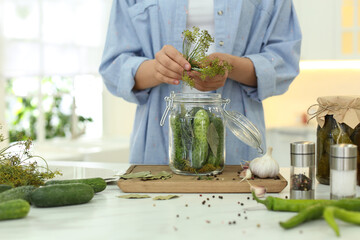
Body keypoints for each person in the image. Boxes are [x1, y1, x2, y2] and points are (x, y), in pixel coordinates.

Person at [99, 0, 302, 165]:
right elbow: (114, 67)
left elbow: (284, 62)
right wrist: (157, 69)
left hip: (237, 148)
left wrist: (231, 66)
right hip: (156, 147)